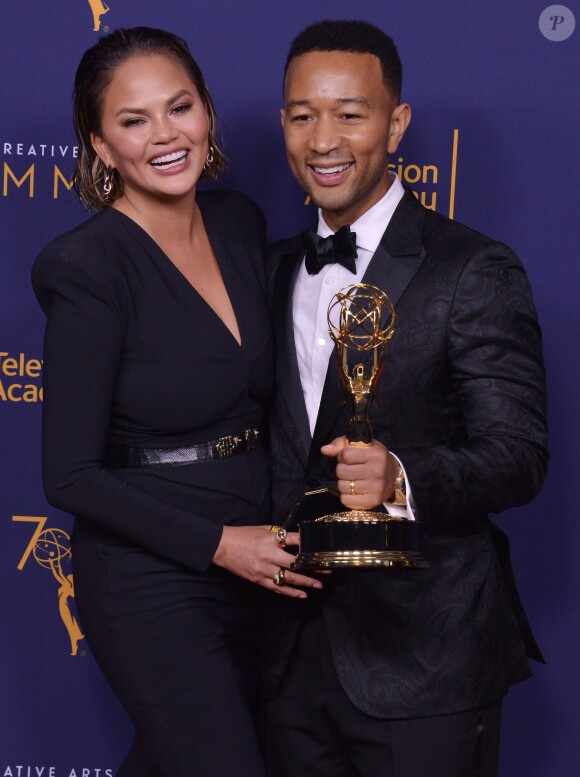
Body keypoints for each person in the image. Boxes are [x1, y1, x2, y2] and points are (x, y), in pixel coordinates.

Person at [32, 26, 320, 777]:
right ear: (101, 146)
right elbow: (68, 476)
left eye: (180, 107)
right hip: (151, 576)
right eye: (134, 120)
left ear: (207, 113)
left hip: (265, 554)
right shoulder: (86, 267)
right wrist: (221, 544)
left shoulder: (239, 221)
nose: (165, 135)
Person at [263, 19, 548, 777]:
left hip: (427, 660)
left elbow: (519, 455)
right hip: (284, 657)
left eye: (350, 114)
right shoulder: (269, 269)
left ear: (396, 125)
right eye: (303, 115)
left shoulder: (473, 267)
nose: (323, 141)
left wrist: (402, 476)